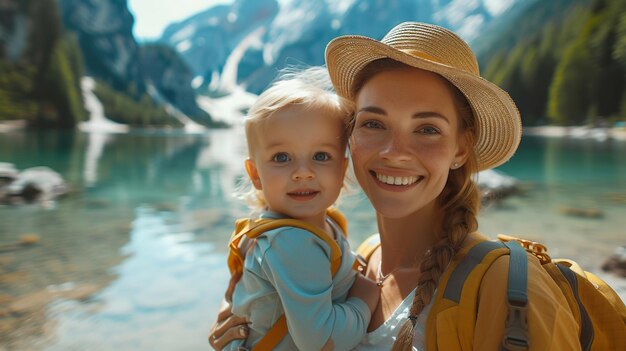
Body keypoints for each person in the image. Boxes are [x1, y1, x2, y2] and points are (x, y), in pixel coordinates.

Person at [210, 22, 581, 350]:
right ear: (349, 137)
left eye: (427, 129)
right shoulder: (360, 258)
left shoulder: (504, 287)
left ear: (461, 148)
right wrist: (253, 325)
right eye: (374, 123)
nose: (394, 152)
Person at [215, 67, 380, 351]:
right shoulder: (291, 241)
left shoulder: (322, 224)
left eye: (321, 156)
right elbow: (322, 343)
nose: (302, 172)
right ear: (255, 174)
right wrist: (364, 299)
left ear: (341, 170)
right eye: (282, 157)